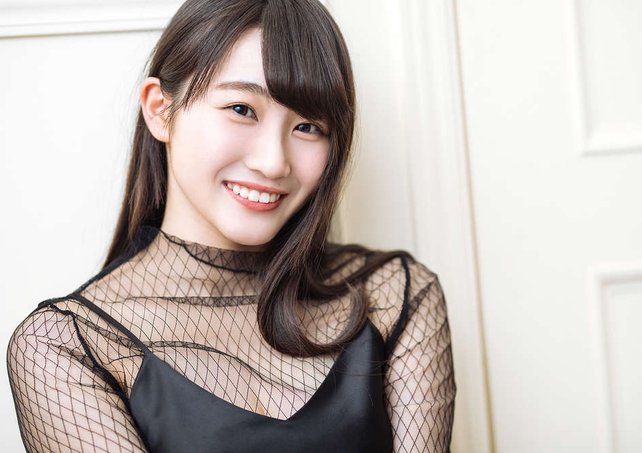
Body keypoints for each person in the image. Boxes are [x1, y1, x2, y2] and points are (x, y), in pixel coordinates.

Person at [6, 0, 456, 451]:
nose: (274, 162)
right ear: (160, 109)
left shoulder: (393, 295)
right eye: (242, 109)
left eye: (308, 126)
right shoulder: (67, 345)